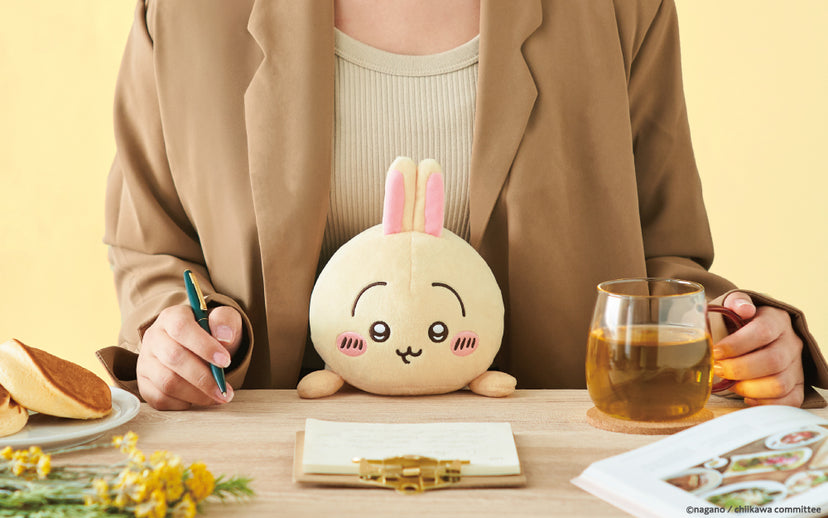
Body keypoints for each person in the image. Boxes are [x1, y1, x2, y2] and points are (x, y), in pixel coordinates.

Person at [98, 0, 825, 410]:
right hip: (267, 471)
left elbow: (667, 259)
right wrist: (173, 336)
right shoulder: (187, 13)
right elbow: (152, 246)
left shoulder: (621, 7)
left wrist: (741, 339)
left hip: (559, 478)